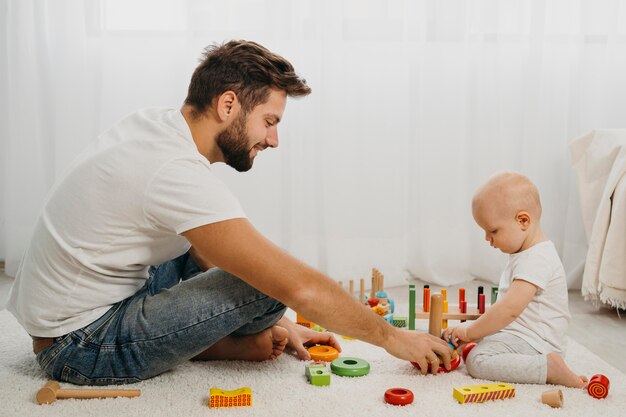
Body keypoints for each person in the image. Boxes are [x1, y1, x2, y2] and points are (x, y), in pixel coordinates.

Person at [7, 40, 452, 386]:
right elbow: (295, 285)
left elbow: (207, 252)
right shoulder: (173, 172)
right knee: (269, 283)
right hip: (79, 345)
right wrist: (394, 338)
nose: (274, 140)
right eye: (270, 121)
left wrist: (285, 326)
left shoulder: (157, 127)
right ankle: (217, 347)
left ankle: (215, 341)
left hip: (83, 307)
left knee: (234, 257)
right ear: (227, 105)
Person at [442, 171, 587, 388]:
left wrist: (470, 331)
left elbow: (509, 309)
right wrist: (474, 332)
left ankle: (548, 368)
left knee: (478, 362)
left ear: (523, 220)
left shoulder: (537, 258)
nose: (487, 238)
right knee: (478, 340)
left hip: (537, 343)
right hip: (519, 335)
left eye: (492, 230)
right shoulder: (526, 254)